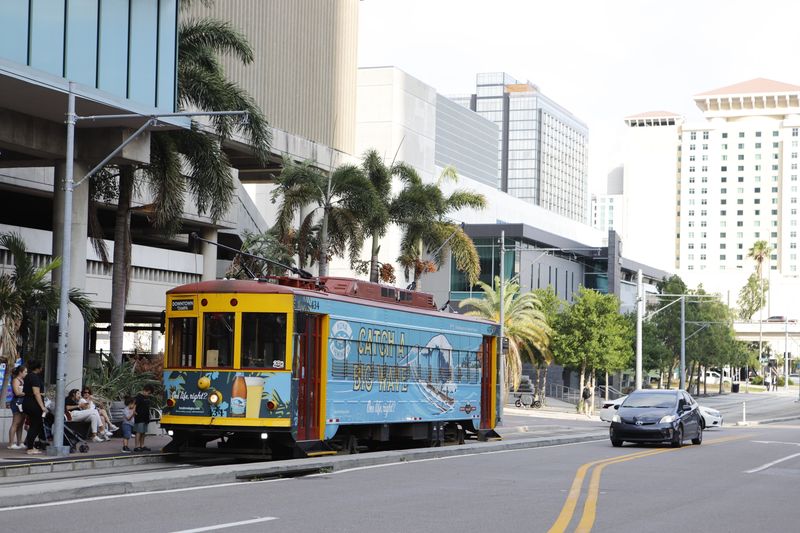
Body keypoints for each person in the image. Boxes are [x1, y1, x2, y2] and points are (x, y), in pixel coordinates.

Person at [21, 360, 47, 455]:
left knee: (35, 424)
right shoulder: (35, 378)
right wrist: (42, 406)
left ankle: (29, 445)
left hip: (27, 402)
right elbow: (36, 393)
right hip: (33, 404)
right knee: (36, 425)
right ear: (38, 368)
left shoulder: (28, 376)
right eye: (41, 367)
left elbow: (32, 391)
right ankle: (30, 448)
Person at [7, 366, 27, 449]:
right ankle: (11, 444)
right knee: (15, 423)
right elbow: (17, 393)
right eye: (25, 372)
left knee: (21, 423)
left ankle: (19, 442)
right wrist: (27, 393)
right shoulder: (16, 380)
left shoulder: (22, 380)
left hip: (22, 403)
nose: (26, 373)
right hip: (17, 403)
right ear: (20, 372)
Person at [133, 384, 154, 452]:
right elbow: (134, 405)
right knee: (139, 431)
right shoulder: (138, 397)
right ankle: (136, 446)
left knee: (143, 432)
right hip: (139, 417)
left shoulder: (146, 398)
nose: (148, 394)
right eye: (148, 393)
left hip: (145, 417)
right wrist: (134, 412)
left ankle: (142, 445)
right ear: (145, 390)